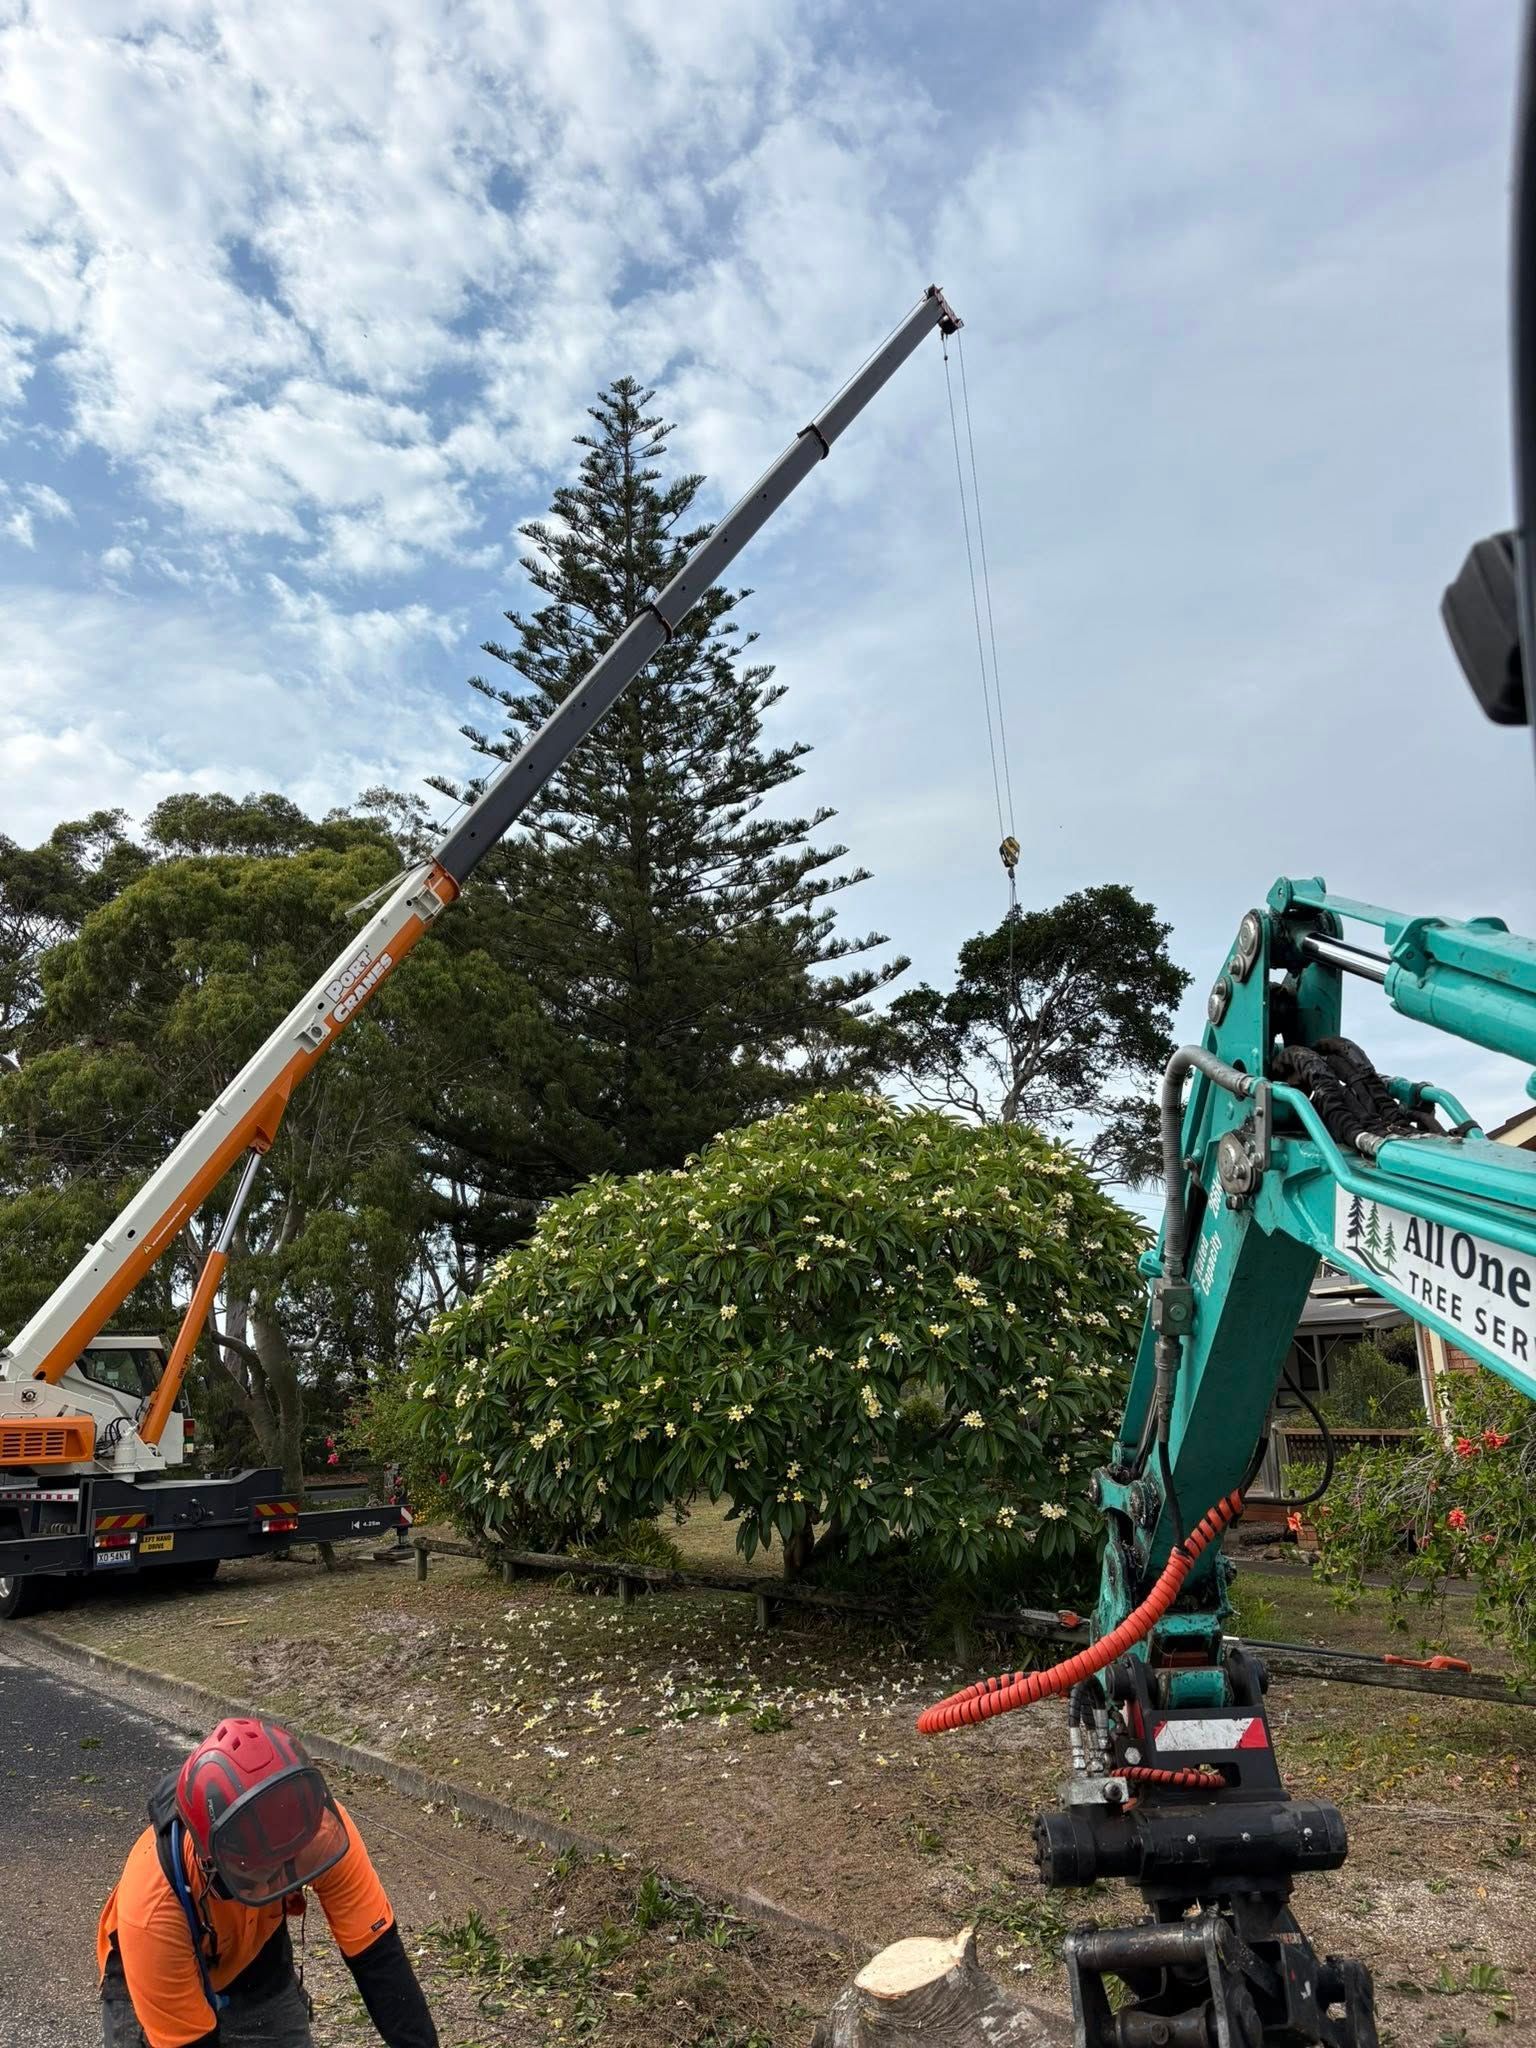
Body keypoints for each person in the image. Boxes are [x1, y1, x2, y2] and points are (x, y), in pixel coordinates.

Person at [97, 1715, 438, 2048]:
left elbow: (379, 1959)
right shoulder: (152, 1912)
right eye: (260, 1873)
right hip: (156, 1965)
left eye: (289, 1864)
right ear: (212, 1860)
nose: (276, 1881)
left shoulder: (320, 1829)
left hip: (254, 1959)